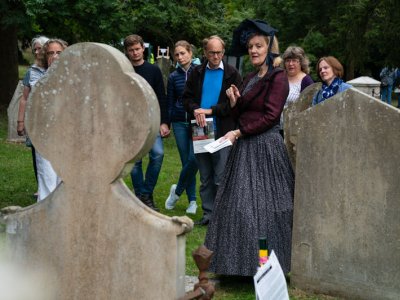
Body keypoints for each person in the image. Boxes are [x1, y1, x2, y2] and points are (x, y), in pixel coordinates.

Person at [204, 19, 294, 276]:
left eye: (258, 46)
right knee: (238, 207)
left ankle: (267, 266)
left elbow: (270, 116)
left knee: (267, 210)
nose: (253, 51)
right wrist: (235, 102)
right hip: (244, 149)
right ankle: (237, 265)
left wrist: (239, 131)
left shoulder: (278, 78)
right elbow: (244, 112)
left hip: (266, 149)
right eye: (250, 47)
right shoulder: (251, 77)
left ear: (269, 48)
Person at [183, 35, 242, 225]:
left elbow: (233, 105)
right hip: (201, 130)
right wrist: (194, 110)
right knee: (206, 176)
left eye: (219, 53)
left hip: (223, 130)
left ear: (223, 53)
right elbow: (186, 98)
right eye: (211, 53)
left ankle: (221, 216)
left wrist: (209, 110)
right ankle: (208, 214)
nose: (215, 56)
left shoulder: (232, 74)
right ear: (205, 53)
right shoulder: (197, 72)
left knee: (220, 176)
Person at [124, 34, 170, 211]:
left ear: (143, 48)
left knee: (157, 154)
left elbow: (161, 96)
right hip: (131, 122)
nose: (135, 53)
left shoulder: (153, 70)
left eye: (137, 49)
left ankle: (146, 193)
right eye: (131, 50)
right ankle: (139, 197)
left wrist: (164, 122)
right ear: (127, 52)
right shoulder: (125, 71)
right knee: (135, 161)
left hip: (152, 120)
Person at [164, 41, 201, 214]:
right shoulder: (173, 77)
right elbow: (170, 102)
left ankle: (177, 191)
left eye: (183, 53)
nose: (180, 57)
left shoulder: (201, 71)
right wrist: (168, 122)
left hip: (199, 121)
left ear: (190, 53)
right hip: (179, 122)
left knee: (195, 160)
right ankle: (192, 202)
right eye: (177, 54)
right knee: (186, 161)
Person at [32, 38, 68, 201]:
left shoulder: (73, 78)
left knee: (65, 178)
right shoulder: (39, 79)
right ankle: (47, 218)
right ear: (45, 57)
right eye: (51, 53)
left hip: (68, 136)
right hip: (45, 136)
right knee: (47, 178)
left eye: (59, 53)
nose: (55, 56)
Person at [17, 35, 49, 198]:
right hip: (36, 120)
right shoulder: (31, 72)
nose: (37, 51)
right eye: (35, 49)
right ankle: (41, 186)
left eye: (40, 48)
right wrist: (20, 121)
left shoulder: (55, 68)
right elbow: (24, 98)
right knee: (38, 153)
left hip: (55, 120)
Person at [280, 46, 313, 135]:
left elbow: (309, 108)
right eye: (288, 60)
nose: (291, 64)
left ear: (301, 63)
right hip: (276, 128)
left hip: (295, 130)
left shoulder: (306, 81)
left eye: (294, 60)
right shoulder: (279, 78)